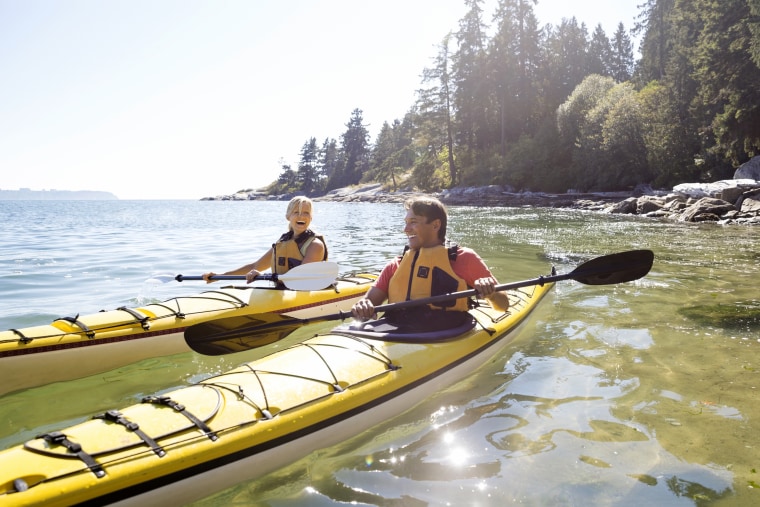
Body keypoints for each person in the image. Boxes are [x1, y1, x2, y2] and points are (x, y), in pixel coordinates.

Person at [351, 196, 508, 331]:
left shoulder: (464, 258)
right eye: (406, 222)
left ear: (435, 225)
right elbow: (368, 302)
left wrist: (491, 293)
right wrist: (362, 307)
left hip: (444, 332)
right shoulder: (395, 265)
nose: (406, 229)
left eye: (413, 222)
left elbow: (503, 305)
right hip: (396, 328)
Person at [203, 196, 327, 284]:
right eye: (296, 212)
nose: (301, 216)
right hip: (283, 291)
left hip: (304, 294)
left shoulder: (315, 245)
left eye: (306, 213)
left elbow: (300, 277)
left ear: (311, 217)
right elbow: (256, 266)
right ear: (288, 217)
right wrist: (219, 277)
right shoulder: (283, 242)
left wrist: (263, 276)